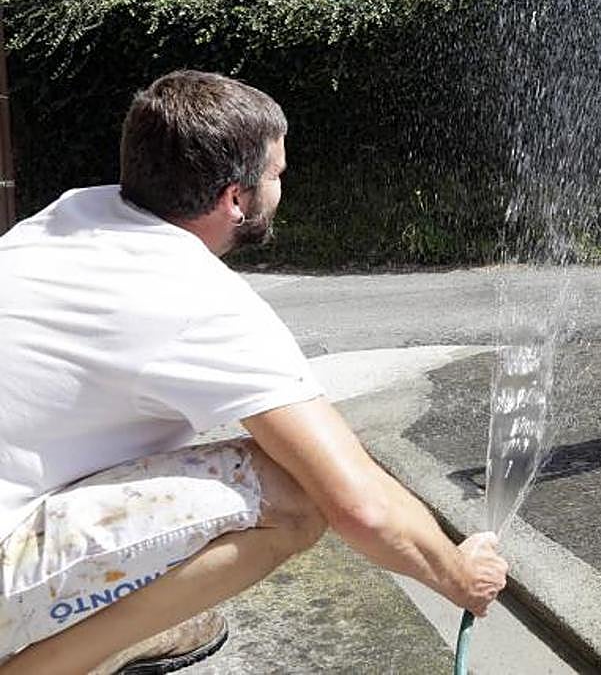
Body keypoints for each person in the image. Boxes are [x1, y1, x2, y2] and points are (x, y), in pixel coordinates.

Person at [0, 70, 507, 673]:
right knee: (290, 487)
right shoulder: (198, 297)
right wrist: (457, 574)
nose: (280, 187)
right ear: (235, 199)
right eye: (276, 175)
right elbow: (357, 505)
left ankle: (97, 631)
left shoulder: (72, 214)